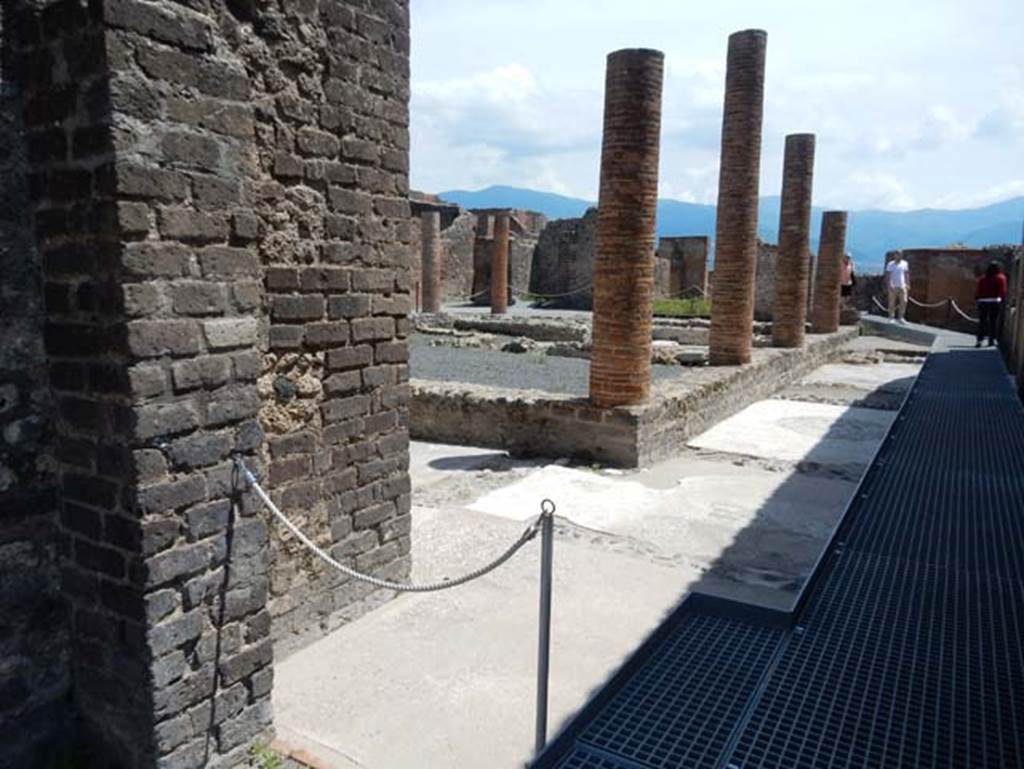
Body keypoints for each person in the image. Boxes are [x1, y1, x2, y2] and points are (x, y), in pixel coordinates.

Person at [975, 261, 1007, 348]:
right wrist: (1002, 300)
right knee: (993, 322)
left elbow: (979, 290)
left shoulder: (983, 278)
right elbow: (1002, 291)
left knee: (982, 322)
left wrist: (977, 299)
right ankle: (991, 341)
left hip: (983, 301)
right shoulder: (1001, 278)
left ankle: (979, 340)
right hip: (995, 301)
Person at [885, 251, 910, 323]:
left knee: (904, 301)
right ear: (895, 256)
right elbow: (888, 275)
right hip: (893, 286)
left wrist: (907, 283)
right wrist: (889, 284)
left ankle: (901, 317)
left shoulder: (905, 263)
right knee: (892, 302)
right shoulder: (890, 264)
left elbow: (906, 274)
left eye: (900, 255)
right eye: (897, 255)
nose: (899, 256)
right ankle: (891, 317)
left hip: (902, 285)